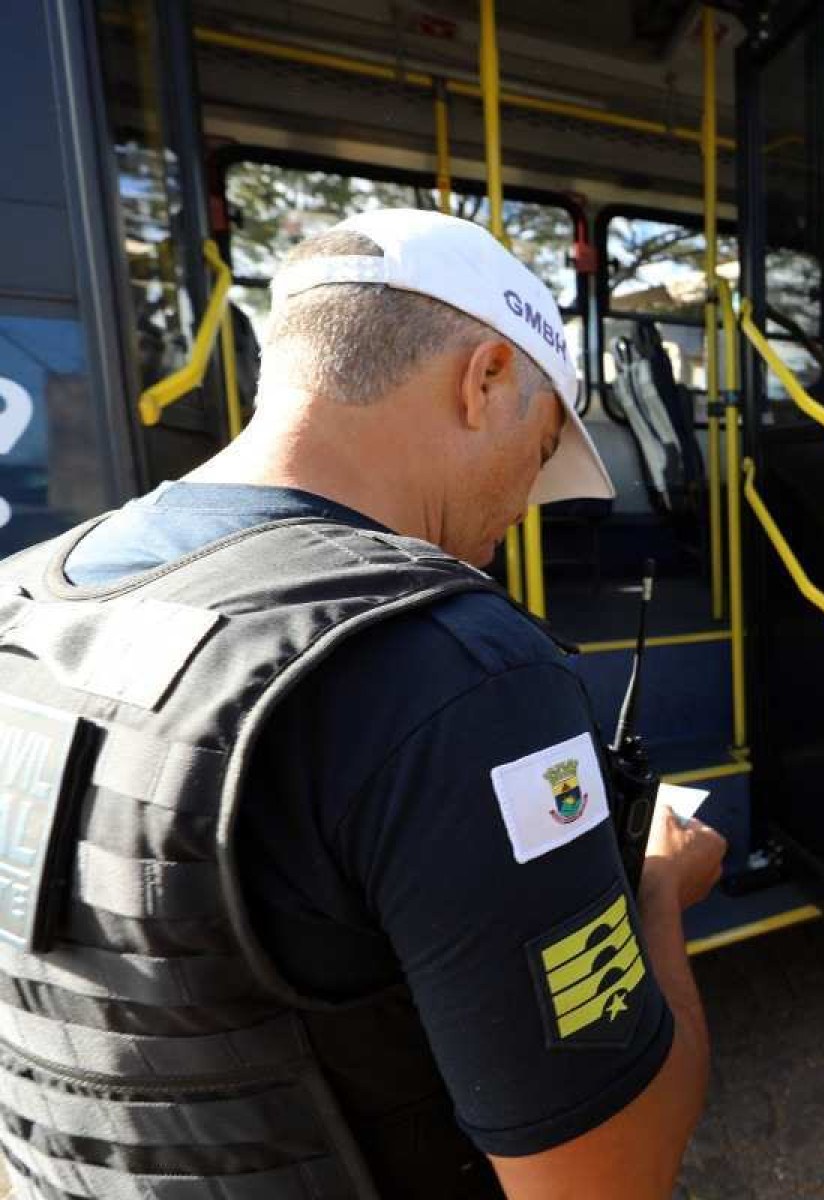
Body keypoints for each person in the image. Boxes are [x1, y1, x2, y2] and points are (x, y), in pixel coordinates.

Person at [0, 209, 725, 1199]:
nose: (525, 506)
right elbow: (610, 1177)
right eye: (542, 448)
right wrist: (656, 897)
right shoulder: (455, 669)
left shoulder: (28, 595)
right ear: (486, 381)